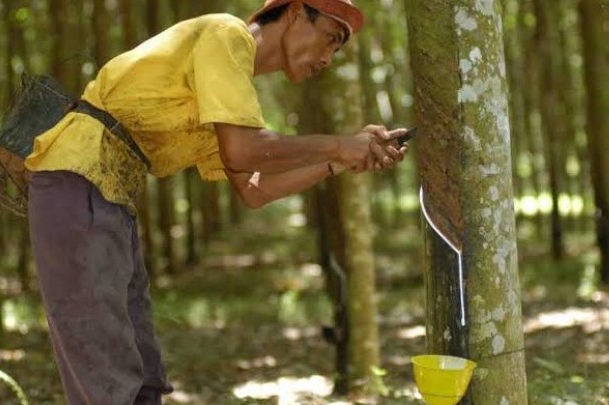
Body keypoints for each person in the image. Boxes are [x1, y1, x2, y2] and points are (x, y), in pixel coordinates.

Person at [23, 0, 409, 403]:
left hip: (109, 196)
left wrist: (338, 160)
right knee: (105, 374)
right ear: (295, 13)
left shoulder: (228, 88)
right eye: (330, 38)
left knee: (143, 374)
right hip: (76, 181)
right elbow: (243, 151)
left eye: (338, 49)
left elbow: (255, 188)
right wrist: (341, 144)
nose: (328, 58)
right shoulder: (226, 35)